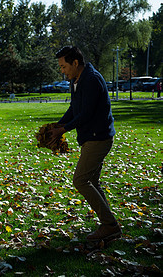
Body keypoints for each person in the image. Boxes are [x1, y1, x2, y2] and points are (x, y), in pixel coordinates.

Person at [49, 46, 121, 242]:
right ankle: (110, 224)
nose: (62, 71)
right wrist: (59, 125)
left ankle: (109, 225)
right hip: (91, 138)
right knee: (93, 182)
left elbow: (86, 114)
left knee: (80, 180)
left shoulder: (91, 79)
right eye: (60, 67)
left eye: (64, 66)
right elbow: (74, 108)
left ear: (75, 63)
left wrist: (62, 131)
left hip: (99, 138)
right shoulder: (76, 80)